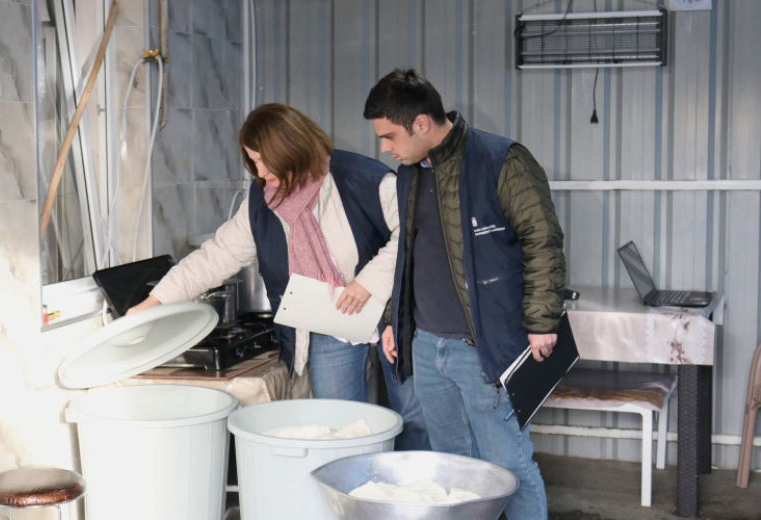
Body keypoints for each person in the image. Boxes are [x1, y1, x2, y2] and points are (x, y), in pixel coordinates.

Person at [129, 103, 430, 450]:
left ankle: (415, 481)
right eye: (252, 161)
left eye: (264, 160)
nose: (260, 172)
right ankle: (354, 481)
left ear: (291, 148)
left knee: (414, 417)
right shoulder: (262, 201)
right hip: (332, 319)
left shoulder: (363, 179)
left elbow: (413, 233)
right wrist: (154, 302)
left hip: (396, 310)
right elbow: (216, 256)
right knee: (341, 426)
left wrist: (367, 283)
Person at [363, 69, 566, 519]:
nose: (385, 147)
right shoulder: (408, 174)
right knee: (454, 472)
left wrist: (541, 321)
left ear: (421, 123)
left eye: (389, 135)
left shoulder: (502, 160)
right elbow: (409, 254)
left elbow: (543, 241)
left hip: (484, 350)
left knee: (509, 468)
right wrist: (394, 320)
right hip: (427, 348)